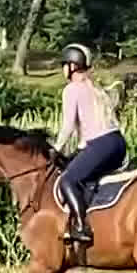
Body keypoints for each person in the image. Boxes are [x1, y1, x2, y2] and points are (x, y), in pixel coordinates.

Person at [51, 42, 125, 245]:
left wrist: (56, 149)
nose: (63, 69)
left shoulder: (72, 89)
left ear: (72, 66)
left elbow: (67, 127)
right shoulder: (96, 90)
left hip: (100, 145)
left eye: (64, 64)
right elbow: (87, 134)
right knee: (86, 176)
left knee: (67, 180)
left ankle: (82, 227)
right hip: (117, 143)